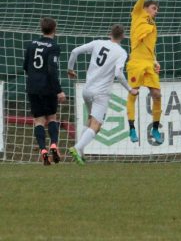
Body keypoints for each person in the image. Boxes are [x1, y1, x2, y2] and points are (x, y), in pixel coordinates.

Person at [66, 24, 139, 165]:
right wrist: (130, 89)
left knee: (90, 120)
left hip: (87, 91)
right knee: (97, 125)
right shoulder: (121, 52)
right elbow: (118, 73)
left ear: (109, 34)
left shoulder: (98, 43)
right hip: (101, 93)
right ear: (123, 37)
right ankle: (77, 147)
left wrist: (70, 69)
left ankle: (80, 153)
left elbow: (75, 51)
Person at [126, 0, 164, 145]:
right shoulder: (138, 13)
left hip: (149, 62)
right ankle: (132, 128)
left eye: (157, 9)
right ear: (146, 8)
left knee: (157, 94)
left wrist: (155, 60)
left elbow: (149, 45)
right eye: (154, 8)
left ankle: (155, 128)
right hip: (136, 62)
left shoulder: (153, 25)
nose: (156, 11)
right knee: (133, 93)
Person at [23, 17, 66, 165]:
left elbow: (25, 66)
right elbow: (52, 70)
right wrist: (59, 90)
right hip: (47, 87)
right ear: (55, 29)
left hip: (33, 87)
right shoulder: (54, 46)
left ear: (41, 29)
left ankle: (43, 150)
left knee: (38, 121)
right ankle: (53, 144)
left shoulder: (31, 44)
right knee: (52, 118)